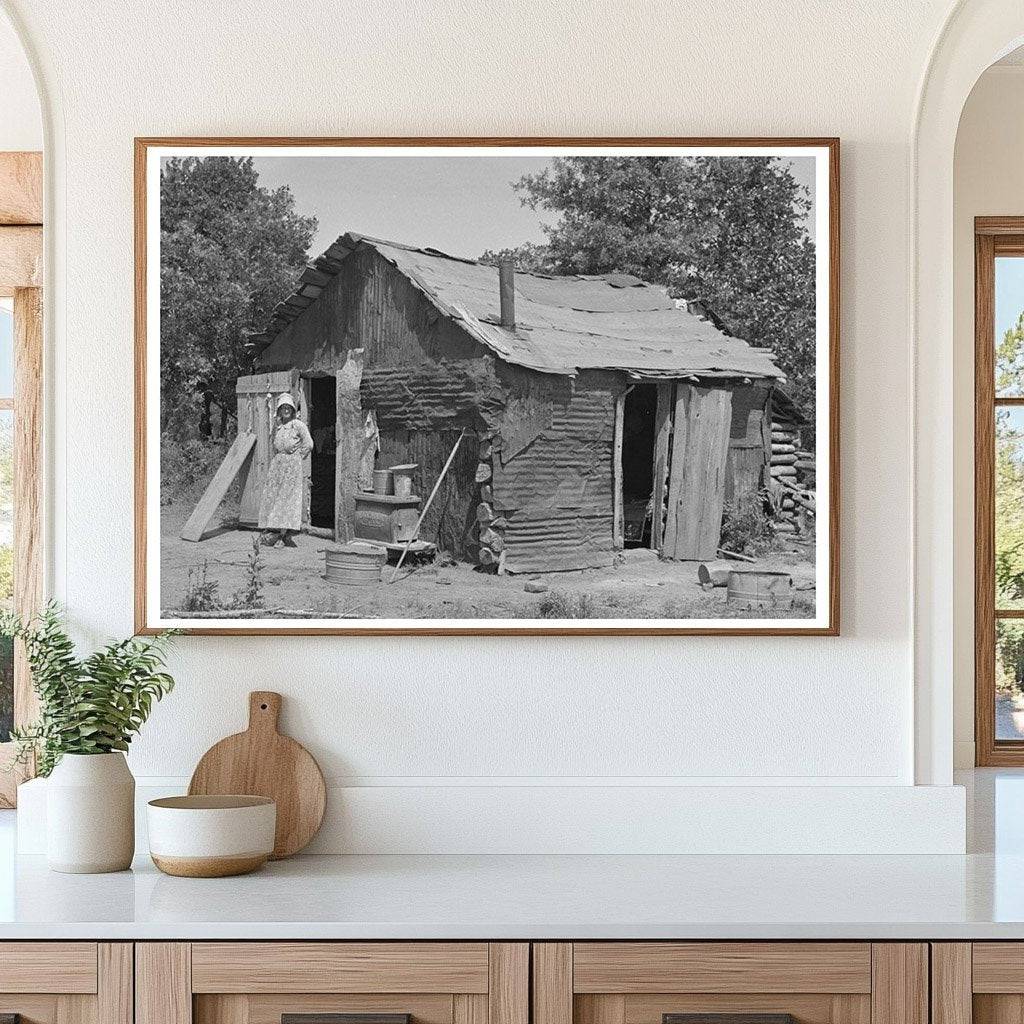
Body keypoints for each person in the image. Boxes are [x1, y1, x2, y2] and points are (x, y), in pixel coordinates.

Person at [258, 393, 313, 547]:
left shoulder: (298, 425)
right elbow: (275, 446)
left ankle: (283, 535)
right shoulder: (279, 427)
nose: (286, 410)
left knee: (287, 499)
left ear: (293, 410)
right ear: (280, 411)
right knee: (274, 496)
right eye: (283, 408)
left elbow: (308, 443)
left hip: (291, 466)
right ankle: (273, 531)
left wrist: (296, 457)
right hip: (278, 465)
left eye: (289, 408)